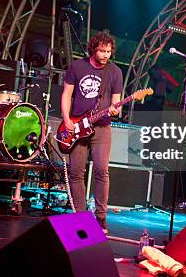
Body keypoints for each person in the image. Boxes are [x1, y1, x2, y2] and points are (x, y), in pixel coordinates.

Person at [61, 31, 123, 233]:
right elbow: (67, 94)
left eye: (109, 51)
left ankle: (101, 218)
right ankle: (81, 216)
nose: (106, 55)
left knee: (101, 171)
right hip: (77, 126)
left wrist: (116, 109)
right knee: (76, 172)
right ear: (93, 49)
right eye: (102, 51)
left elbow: (116, 101)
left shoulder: (114, 72)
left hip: (102, 127)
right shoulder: (77, 67)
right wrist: (67, 119)